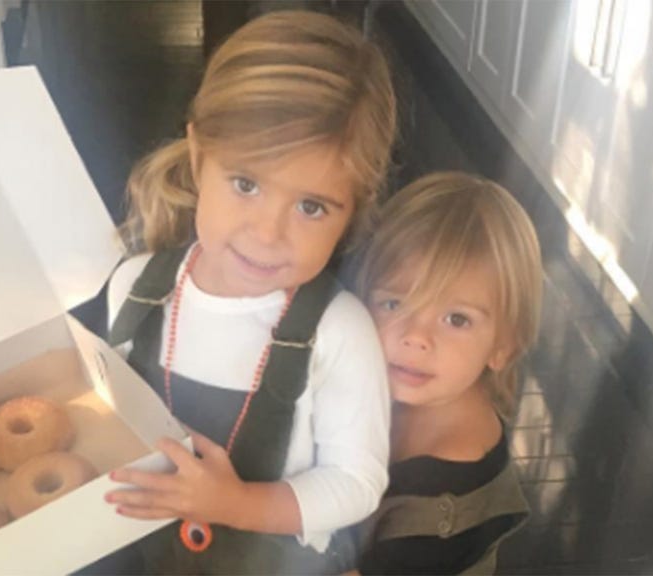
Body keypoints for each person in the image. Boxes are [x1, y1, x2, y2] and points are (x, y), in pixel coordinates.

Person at [96, 10, 397, 575]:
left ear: (351, 211)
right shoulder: (135, 288)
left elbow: (355, 482)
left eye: (311, 207)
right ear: (198, 155)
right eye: (246, 184)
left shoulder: (338, 330)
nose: (268, 233)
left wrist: (236, 504)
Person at [352, 172, 542, 575]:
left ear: (503, 346)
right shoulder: (418, 387)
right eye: (394, 304)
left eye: (456, 319)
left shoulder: (445, 493)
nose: (416, 337)